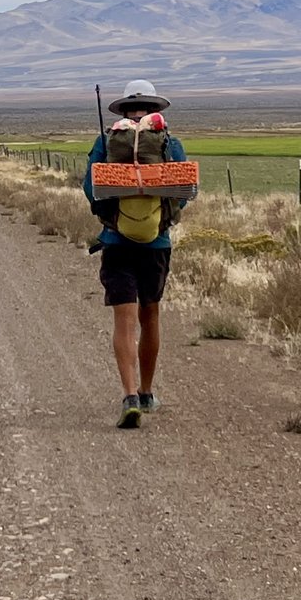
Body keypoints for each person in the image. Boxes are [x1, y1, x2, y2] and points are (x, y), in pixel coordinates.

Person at [81, 79, 187, 428]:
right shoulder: (170, 143)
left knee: (124, 321)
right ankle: (146, 392)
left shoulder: (106, 142)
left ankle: (128, 396)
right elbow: (184, 190)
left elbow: (90, 188)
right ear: (155, 110)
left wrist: (114, 210)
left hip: (115, 242)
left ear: (123, 111)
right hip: (156, 244)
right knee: (150, 316)